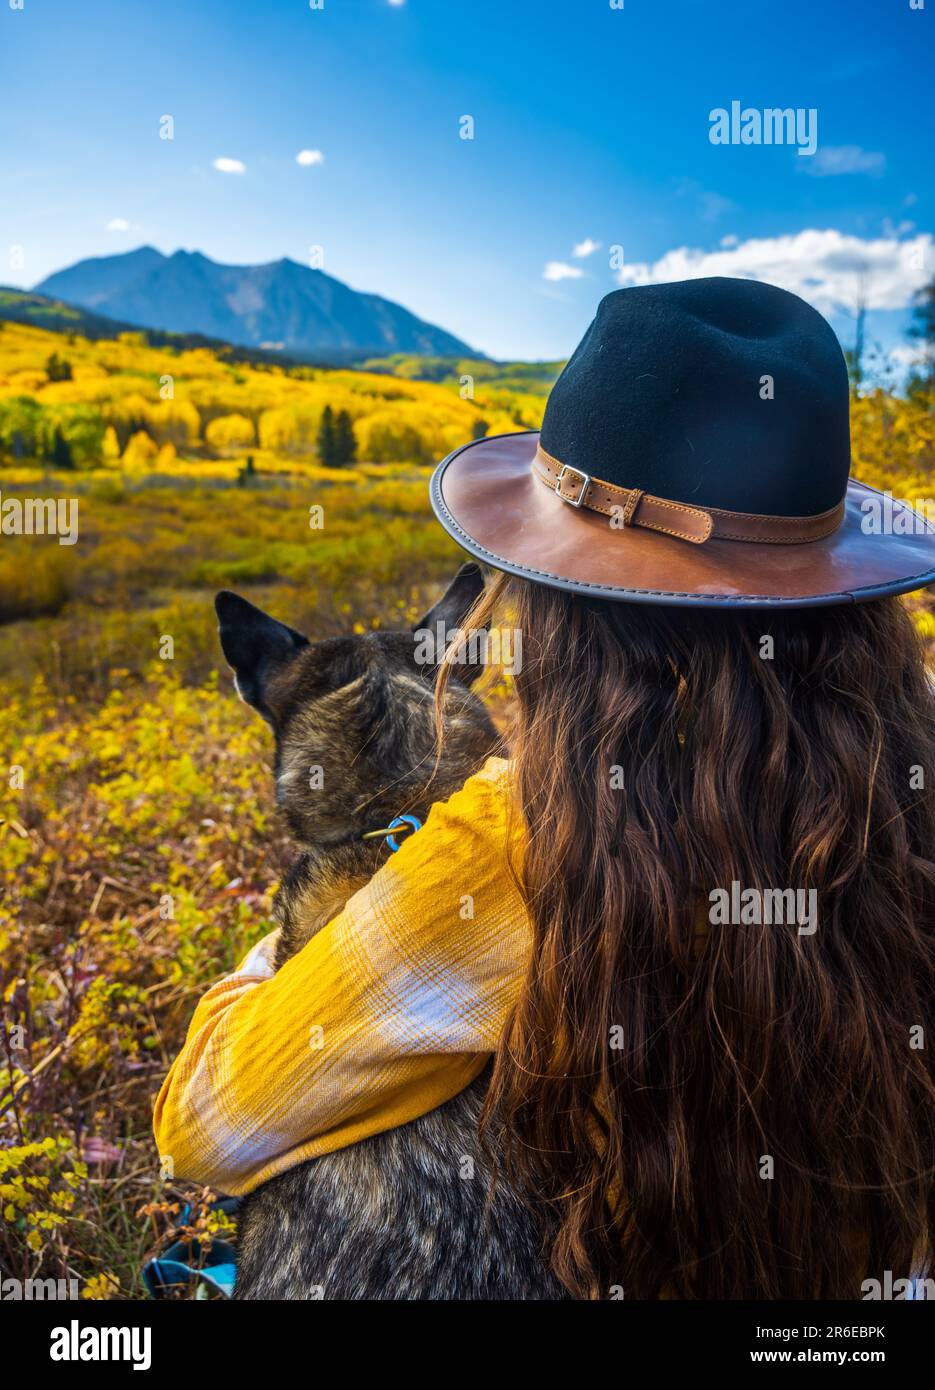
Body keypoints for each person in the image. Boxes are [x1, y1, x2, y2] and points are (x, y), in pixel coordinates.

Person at [155, 277, 935, 1298]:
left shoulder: (528, 836)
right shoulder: (906, 791)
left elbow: (206, 1126)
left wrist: (297, 936)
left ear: (569, 605)